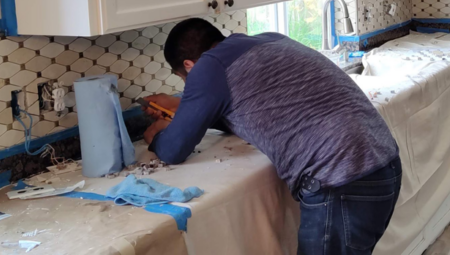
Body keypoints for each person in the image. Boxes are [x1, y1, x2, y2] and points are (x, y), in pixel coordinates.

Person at [142, 18, 401, 255]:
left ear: (189, 66)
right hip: (382, 165)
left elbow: (174, 149)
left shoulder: (209, 66)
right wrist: (183, 106)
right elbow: (250, 110)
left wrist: (157, 134)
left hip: (341, 179)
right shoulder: (273, 40)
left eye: (184, 78)